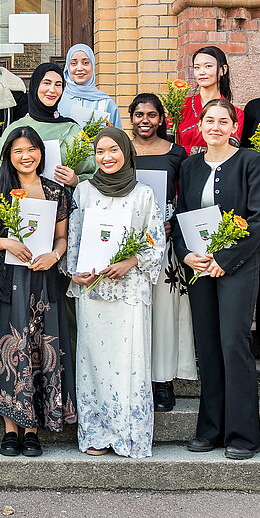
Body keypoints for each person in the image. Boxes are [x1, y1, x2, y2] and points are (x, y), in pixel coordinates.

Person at [0, 126, 77, 457]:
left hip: (43, 282)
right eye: (18, 151)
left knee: (37, 346)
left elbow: (62, 238)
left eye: (31, 149)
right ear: (8, 157)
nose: (25, 156)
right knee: (8, 348)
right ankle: (11, 428)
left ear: (41, 153)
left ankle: (32, 429)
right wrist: (5, 242)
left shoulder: (56, 192)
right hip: (5, 281)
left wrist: (54, 256)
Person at [171, 99, 260, 460]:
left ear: (234, 126)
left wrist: (225, 260)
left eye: (222, 121)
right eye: (208, 120)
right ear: (200, 125)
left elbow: (258, 219)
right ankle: (209, 429)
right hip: (199, 268)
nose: (215, 126)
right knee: (208, 347)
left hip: (238, 267)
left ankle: (244, 434)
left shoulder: (250, 162)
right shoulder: (190, 165)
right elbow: (181, 216)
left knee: (233, 344)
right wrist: (186, 255)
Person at [66, 127, 164, 458]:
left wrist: (132, 261)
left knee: (129, 360)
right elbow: (75, 237)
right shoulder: (83, 192)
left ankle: (127, 434)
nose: (106, 157)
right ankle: (96, 432)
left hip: (129, 291)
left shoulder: (143, 195)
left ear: (126, 152)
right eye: (100, 152)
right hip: (93, 292)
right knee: (93, 360)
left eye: (113, 150)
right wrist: (75, 272)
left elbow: (154, 239)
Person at [129, 93, 197, 411]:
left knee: (164, 315)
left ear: (161, 119)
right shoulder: (122, 151)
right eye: (139, 114)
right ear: (131, 118)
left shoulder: (176, 153)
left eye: (152, 115)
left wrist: (172, 225)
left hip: (165, 245)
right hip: (128, 246)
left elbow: (186, 197)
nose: (145, 120)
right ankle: (135, 378)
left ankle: (163, 382)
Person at [0, 63, 89, 187]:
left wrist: (76, 180)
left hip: (63, 203)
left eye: (58, 85)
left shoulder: (73, 130)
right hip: (19, 203)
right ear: (35, 86)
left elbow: (94, 173)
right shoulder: (14, 129)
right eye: (46, 83)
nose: (52, 90)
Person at [176, 46, 244, 154]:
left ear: (223, 70)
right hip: (181, 168)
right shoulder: (180, 107)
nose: (201, 72)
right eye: (197, 67)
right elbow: (167, 146)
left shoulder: (236, 113)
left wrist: (186, 150)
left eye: (208, 66)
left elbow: (228, 150)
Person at [57, 43, 122, 128]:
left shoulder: (106, 103)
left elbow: (118, 137)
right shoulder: (57, 99)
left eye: (85, 62)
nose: (80, 68)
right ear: (67, 68)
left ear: (93, 66)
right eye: (73, 63)